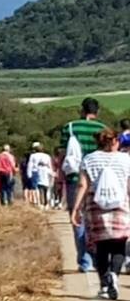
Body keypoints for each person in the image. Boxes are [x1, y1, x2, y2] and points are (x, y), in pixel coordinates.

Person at [70, 128, 130, 299]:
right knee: (119, 245)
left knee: (101, 246)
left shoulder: (88, 159)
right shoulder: (125, 159)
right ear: (115, 141)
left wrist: (76, 208)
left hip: (96, 206)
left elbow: (82, 185)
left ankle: (104, 284)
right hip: (120, 205)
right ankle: (114, 275)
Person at [61, 98, 106, 272]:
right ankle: (99, 255)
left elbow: (62, 154)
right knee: (96, 218)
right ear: (97, 111)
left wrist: (60, 178)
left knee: (77, 217)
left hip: (75, 178)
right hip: (99, 179)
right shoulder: (103, 129)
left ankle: (84, 260)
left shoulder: (70, 127)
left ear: (81, 110)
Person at [27, 142, 54, 209]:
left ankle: (40, 202)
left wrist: (29, 174)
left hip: (35, 172)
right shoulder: (47, 156)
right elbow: (50, 165)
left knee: (38, 189)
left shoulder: (33, 156)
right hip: (46, 172)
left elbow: (30, 165)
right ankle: (46, 203)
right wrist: (51, 173)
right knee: (46, 189)